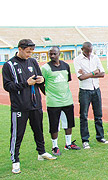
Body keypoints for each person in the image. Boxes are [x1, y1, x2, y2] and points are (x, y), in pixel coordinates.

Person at [3, 39, 56, 174]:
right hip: (19, 106)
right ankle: (15, 160)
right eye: (28, 51)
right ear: (20, 49)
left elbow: (39, 78)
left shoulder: (32, 62)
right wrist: (26, 83)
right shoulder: (9, 65)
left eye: (32, 51)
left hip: (35, 104)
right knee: (17, 134)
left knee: (38, 130)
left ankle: (42, 152)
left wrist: (41, 80)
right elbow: (7, 86)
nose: (30, 54)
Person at [41, 46, 81, 156]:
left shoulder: (66, 66)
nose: (52, 56)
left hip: (67, 100)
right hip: (53, 102)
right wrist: (48, 93)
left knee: (68, 123)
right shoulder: (45, 68)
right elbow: (40, 83)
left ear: (59, 54)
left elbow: (67, 80)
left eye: (54, 54)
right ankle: (55, 146)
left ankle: (68, 144)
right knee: (54, 125)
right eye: (50, 54)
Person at [74, 42, 108, 149]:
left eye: (90, 51)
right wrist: (94, 73)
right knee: (84, 116)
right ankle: (85, 140)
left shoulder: (95, 57)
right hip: (85, 90)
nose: (89, 53)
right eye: (87, 51)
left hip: (96, 89)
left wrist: (88, 74)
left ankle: (100, 136)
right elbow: (81, 77)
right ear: (82, 49)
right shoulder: (77, 60)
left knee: (98, 114)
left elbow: (102, 73)